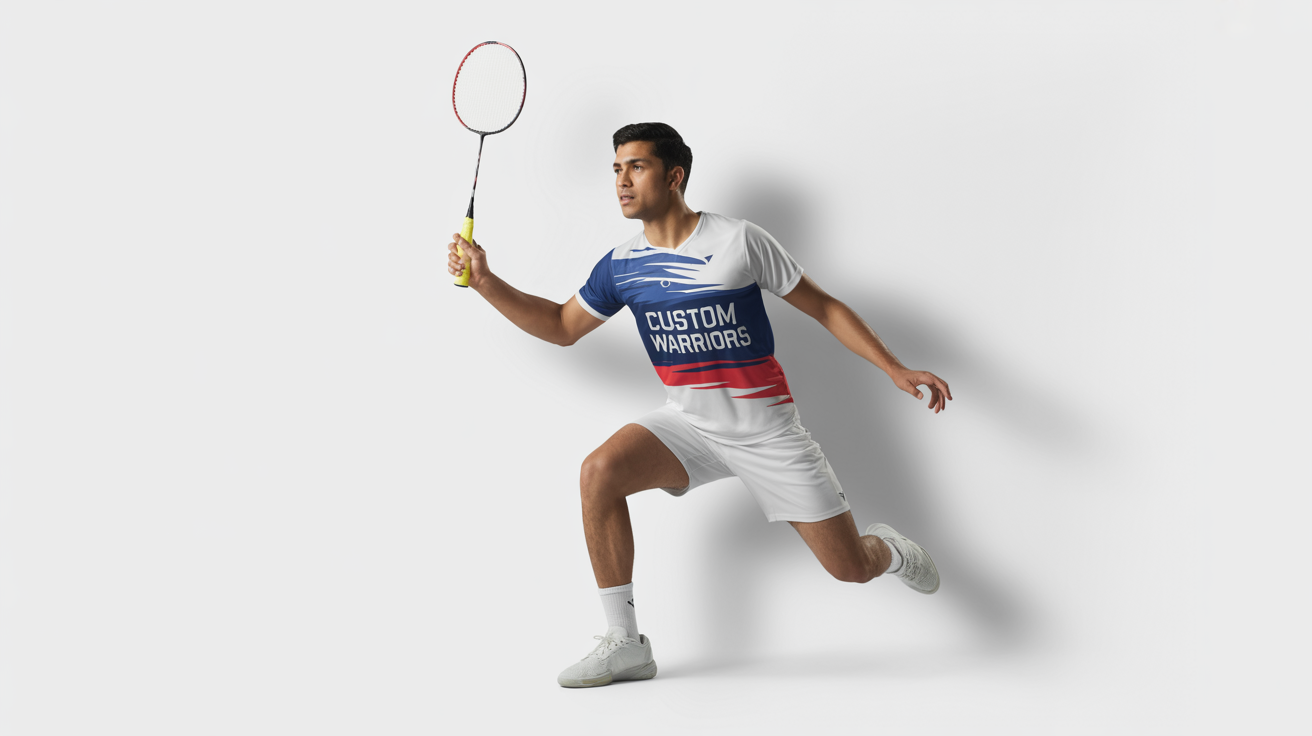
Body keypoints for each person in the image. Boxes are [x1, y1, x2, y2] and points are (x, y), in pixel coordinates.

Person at [446, 122, 952, 688]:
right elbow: (564, 327)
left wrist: (893, 367)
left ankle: (892, 550)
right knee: (599, 472)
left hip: (768, 434)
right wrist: (487, 282)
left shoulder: (739, 241)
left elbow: (826, 307)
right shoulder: (622, 266)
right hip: (690, 423)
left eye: (635, 166)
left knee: (850, 568)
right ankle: (625, 644)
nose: (621, 181)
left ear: (674, 175)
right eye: (616, 169)